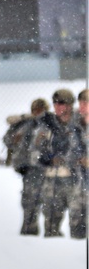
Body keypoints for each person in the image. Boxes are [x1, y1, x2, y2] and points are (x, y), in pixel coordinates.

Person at [28, 88, 81, 238]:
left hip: (75, 179)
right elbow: (34, 153)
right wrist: (47, 159)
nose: (58, 106)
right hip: (52, 180)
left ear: (70, 105)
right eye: (55, 103)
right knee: (51, 223)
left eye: (62, 103)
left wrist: (72, 160)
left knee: (79, 222)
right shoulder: (46, 126)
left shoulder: (79, 124)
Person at [5, 98, 50, 235]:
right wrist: (15, 139)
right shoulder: (25, 125)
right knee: (30, 202)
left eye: (41, 110)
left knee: (51, 204)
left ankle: (52, 234)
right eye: (35, 110)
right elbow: (8, 140)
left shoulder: (52, 125)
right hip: (30, 170)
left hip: (48, 170)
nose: (38, 113)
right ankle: (29, 232)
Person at [70, 89, 89, 240]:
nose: (81, 106)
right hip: (81, 180)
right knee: (77, 218)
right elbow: (71, 151)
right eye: (80, 102)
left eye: (85, 103)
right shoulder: (76, 125)